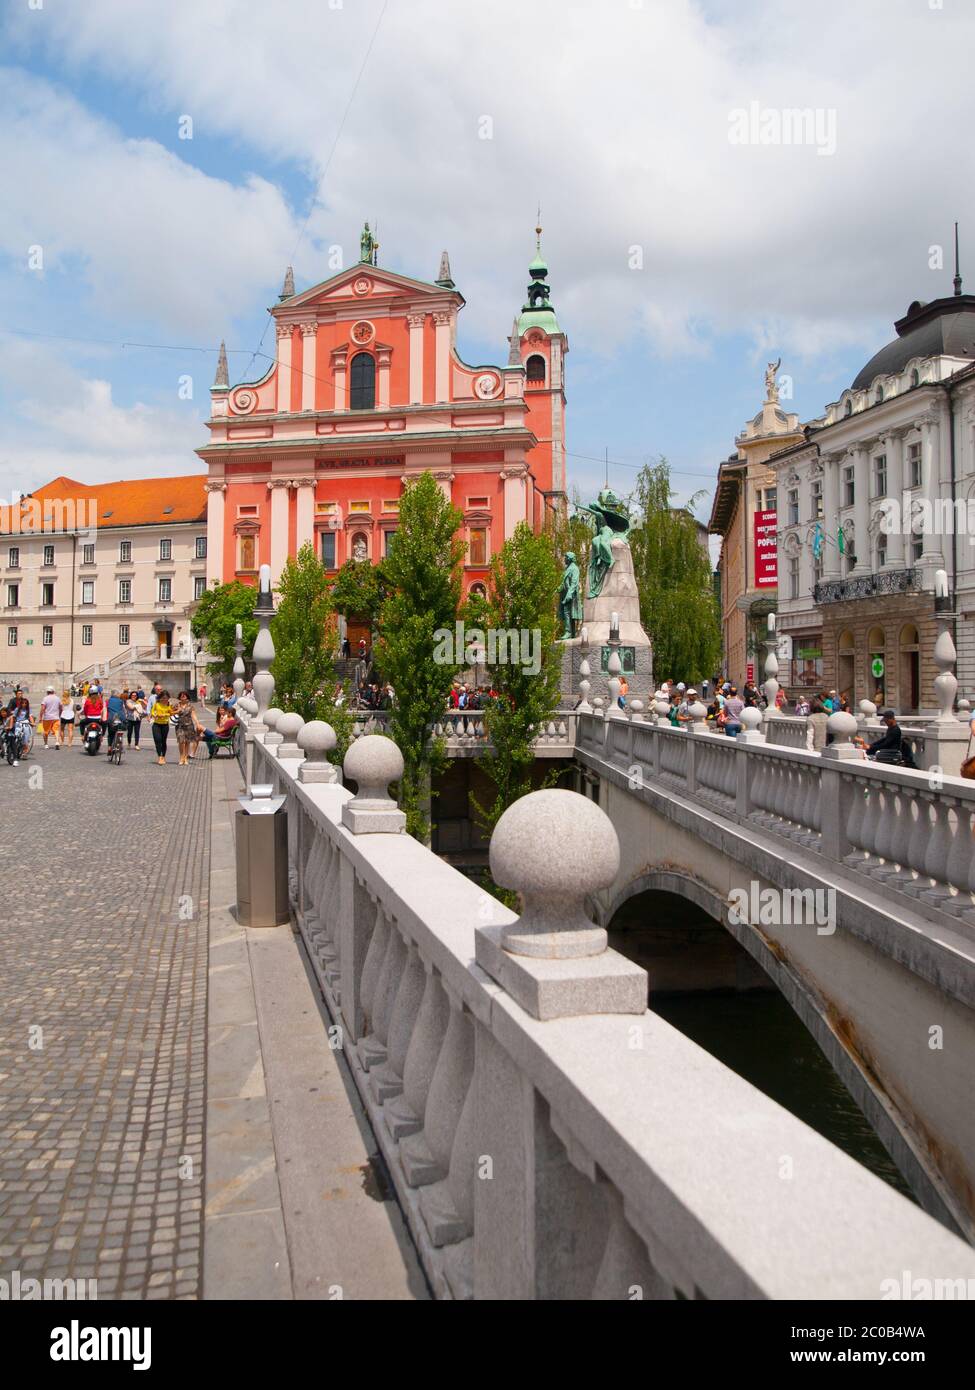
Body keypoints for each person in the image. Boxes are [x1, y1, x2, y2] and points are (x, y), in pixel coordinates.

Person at [174, 691, 204, 766]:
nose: (183, 697)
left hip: (189, 726)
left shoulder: (190, 706)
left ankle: (185, 758)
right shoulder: (176, 705)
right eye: (181, 696)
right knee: (181, 741)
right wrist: (176, 711)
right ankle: (181, 757)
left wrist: (197, 723)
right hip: (179, 726)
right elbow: (171, 713)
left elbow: (193, 715)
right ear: (179, 697)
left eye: (184, 696)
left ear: (187, 697)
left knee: (187, 742)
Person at [3, 695, 34, 764]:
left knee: (25, 739)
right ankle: (13, 748)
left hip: (25, 724)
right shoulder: (17, 709)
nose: (24, 705)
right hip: (18, 724)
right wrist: (11, 725)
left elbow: (31, 717)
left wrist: (32, 723)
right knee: (15, 736)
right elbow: (13, 717)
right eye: (23, 703)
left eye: (25, 703)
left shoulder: (28, 710)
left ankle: (25, 751)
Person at [150, 689, 175, 764]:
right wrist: (155, 715)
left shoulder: (169, 705)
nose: (165, 699)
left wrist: (165, 715)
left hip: (164, 725)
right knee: (157, 740)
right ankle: (160, 756)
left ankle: (163, 756)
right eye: (163, 698)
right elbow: (152, 712)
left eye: (166, 698)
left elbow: (171, 713)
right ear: (160, 698)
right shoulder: (156, 704)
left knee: (163, 741)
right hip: (156, 724)